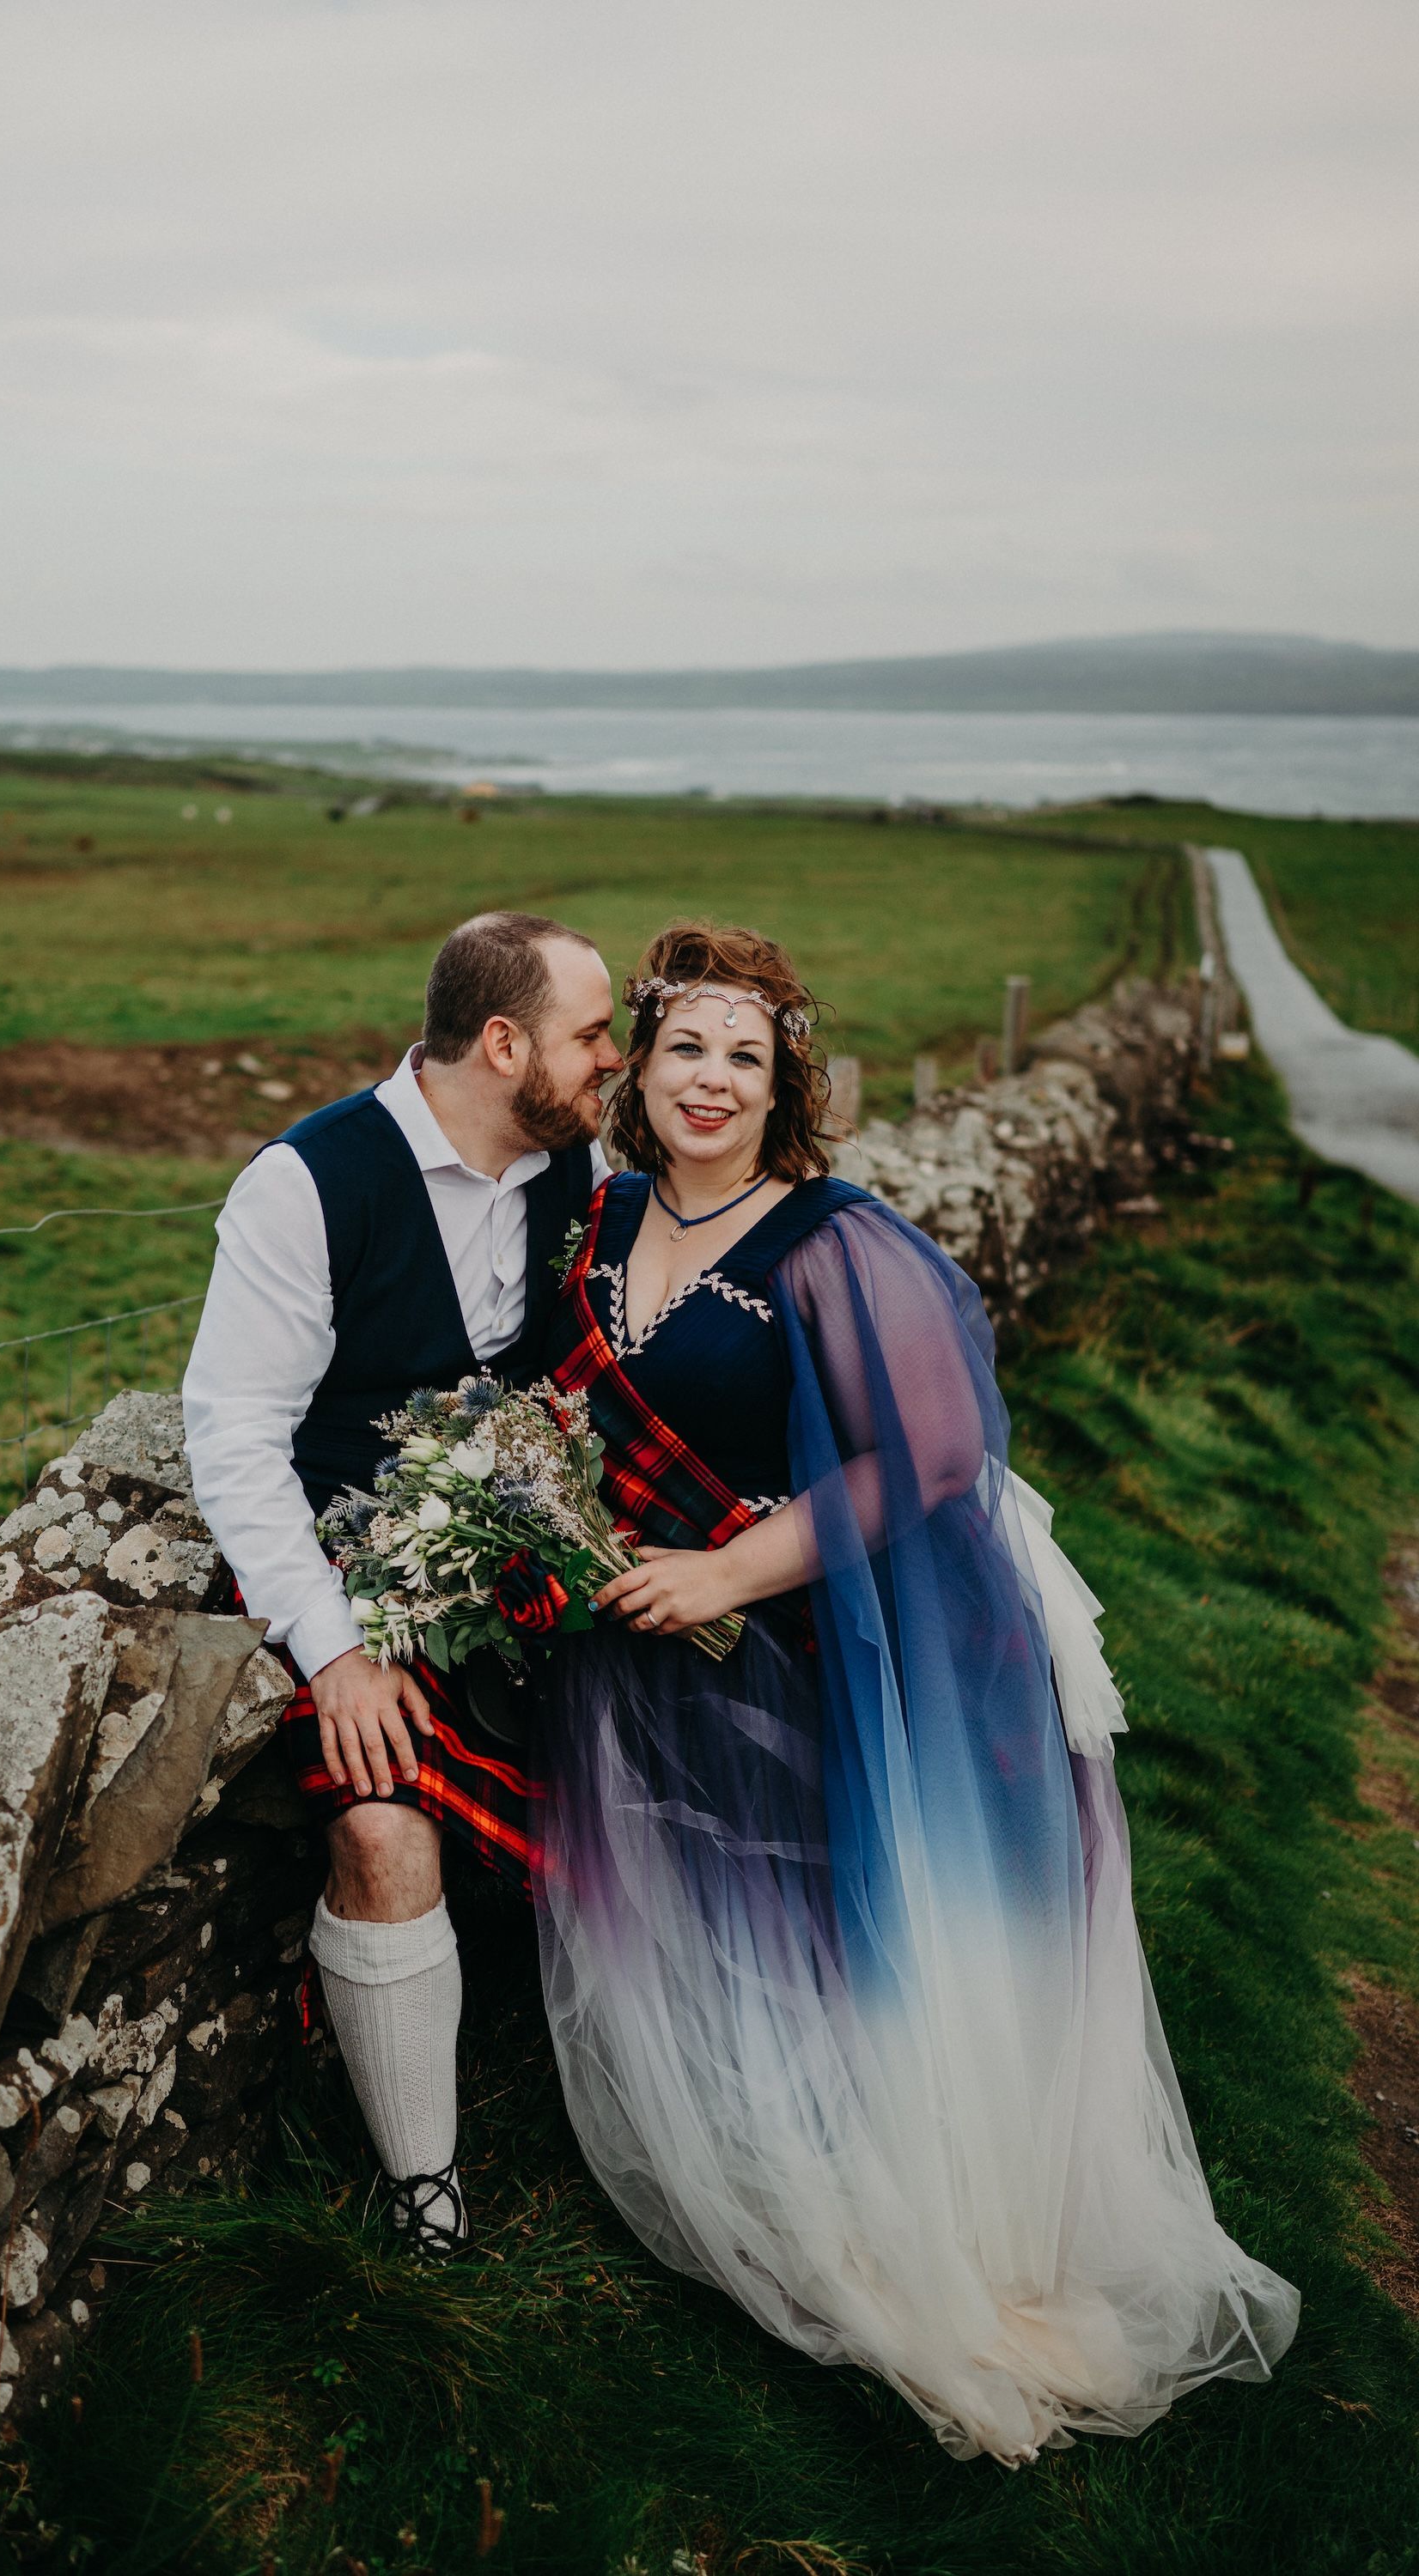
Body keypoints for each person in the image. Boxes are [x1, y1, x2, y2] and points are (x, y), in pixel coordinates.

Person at [534, 918, 1299, 2464]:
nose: (711, 1079)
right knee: (709, 1919)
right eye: (686, 1045)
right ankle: (754, 2161)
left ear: (784, 1086)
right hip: (635, 1642)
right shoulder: (594, 1218)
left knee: (829, 1923)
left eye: (746, 1057)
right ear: (642, 1064)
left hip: (811, 1639)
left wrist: (725, 1577)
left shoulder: (833, 1243)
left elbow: (935, 1458)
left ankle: (882, 2206)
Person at [184, 911, 618, 2256]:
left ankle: (682, 2094)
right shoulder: (307, 1183)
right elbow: (234, 1437)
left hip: (515, 1552)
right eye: (591, 1036)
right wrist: (334, 1648)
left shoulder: (569, 1159)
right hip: (350, 1569)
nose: (612, 1060)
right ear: (504, 1045)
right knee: (379, 1828)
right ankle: (426, 2192)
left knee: (679, 1744)